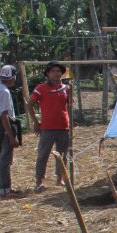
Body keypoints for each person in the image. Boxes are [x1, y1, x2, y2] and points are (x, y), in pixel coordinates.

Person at [27, 60, 73, 192]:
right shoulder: (41, 88)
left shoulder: (67, 88)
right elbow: (30, 104)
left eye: (58, 71)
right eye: (53, 71)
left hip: (64, 126)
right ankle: (39, 181)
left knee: (63, 155)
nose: (56, 73)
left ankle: (60, 179)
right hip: (47, 127)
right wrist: (36, 122)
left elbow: (69, 105)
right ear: (48, 73)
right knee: (43, 154)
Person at [0, 64, 22, 198]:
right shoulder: (4, 91)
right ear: (12, 77)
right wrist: (11, 136)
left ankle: (6, 187)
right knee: (5, 159)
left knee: (5, 159)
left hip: (1, 126)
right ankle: (5, 190)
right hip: (4, 127)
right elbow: (4, 116)